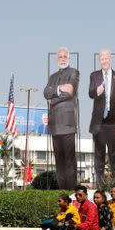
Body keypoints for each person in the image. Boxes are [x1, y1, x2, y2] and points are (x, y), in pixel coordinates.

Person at [43, 46, 79, 190]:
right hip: (55, 124)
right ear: (57, 59)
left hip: (68, 124)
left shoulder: (74, 72)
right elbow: (46, 93)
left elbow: (70, 92)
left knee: (69, 161)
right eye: (60, 57)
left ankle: (71, 192)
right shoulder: (52, 77)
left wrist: (53, 97)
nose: (62, 59)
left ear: (68, 58)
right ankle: (62, 192)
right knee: (59, 161)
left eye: (65, 56)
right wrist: (59, 89)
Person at [89, 49, 115, 185]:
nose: (104, 61)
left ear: (110, 59)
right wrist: (97, 91)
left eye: (106, 58)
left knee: (114, 157)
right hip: (99, 123)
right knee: (99, 157)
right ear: (100, 60)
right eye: (102, 59)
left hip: (113, 123)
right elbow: (90, 93)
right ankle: (99, 186)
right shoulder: (94, 76)